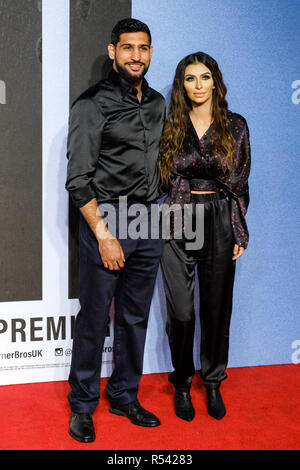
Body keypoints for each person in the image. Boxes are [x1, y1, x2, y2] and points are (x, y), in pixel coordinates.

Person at [65, 18, 166, 442]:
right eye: (127, 48)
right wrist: (105, 234)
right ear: (112, 52)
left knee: (134, 318)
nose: (136, 56)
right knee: (93, 320)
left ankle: (125, 395)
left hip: (151, 221)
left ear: (150, 52)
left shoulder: (159, 102)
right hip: (108, 221)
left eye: (143, 48)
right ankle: (83, 405)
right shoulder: (92, 104)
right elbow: (78, 179)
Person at [159, 52, 251, 421]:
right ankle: (182, 383)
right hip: (178, 217)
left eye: (205, 77)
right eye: (190, 78)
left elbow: (240, 180)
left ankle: (212, 381)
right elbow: (161, 178)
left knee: (216, 307)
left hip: (219, 216)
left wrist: (239, 229)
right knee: (181, 311)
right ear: (182, 85)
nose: (198, 85)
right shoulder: (171, 126)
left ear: (216, 82)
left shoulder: (236, 125)